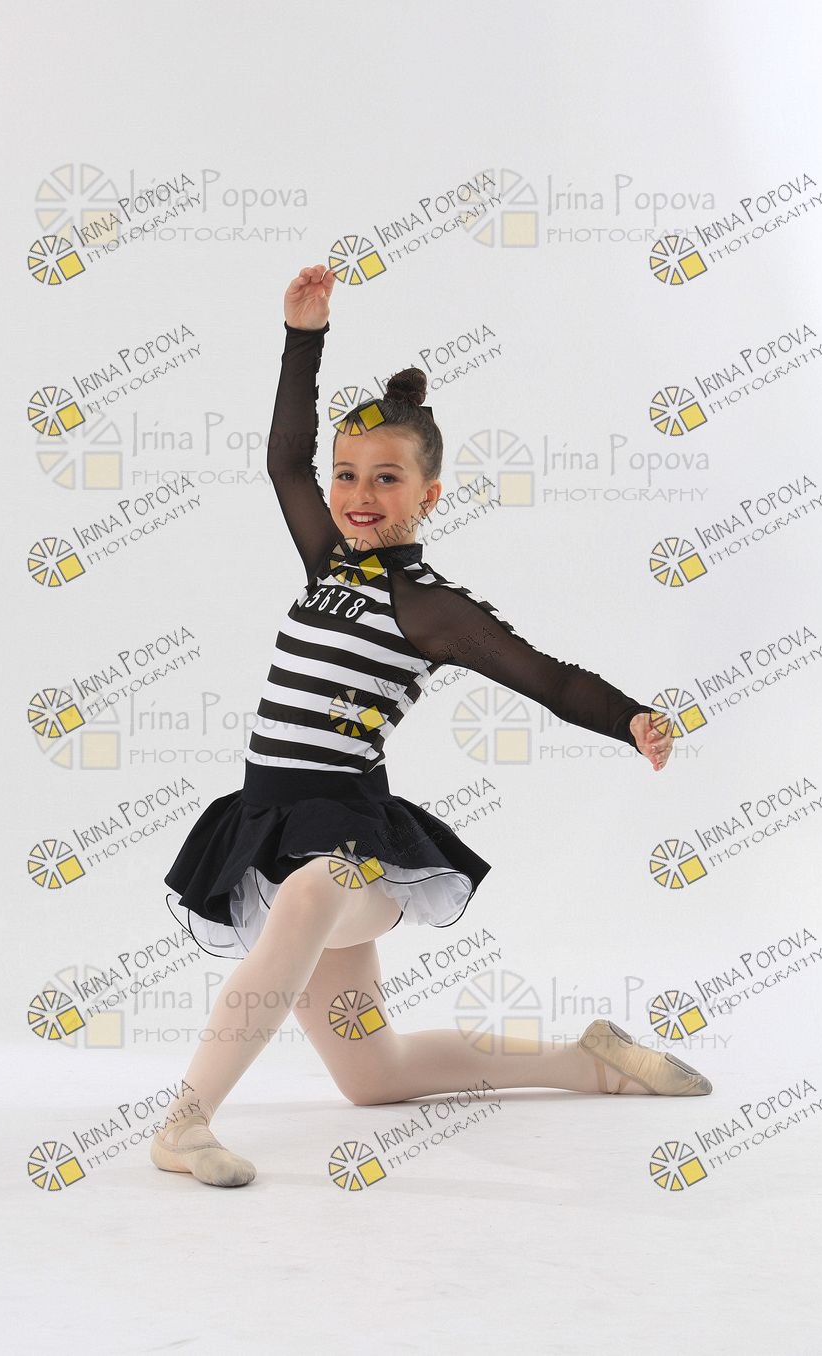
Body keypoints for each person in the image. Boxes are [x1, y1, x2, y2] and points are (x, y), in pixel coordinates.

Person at [151, 264, 711, 1189]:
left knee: (308, 898)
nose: (358, 493)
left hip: (348, 843)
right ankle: (590, 1062)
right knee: (374, 1075)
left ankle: (184, 1122)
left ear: (429, 495)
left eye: (387, 478)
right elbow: (283, 461)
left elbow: (548, 677)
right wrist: (303, 339)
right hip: (267, 825)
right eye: (347, 474)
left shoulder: (430, 607)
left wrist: (631, 718)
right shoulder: (328, 563)